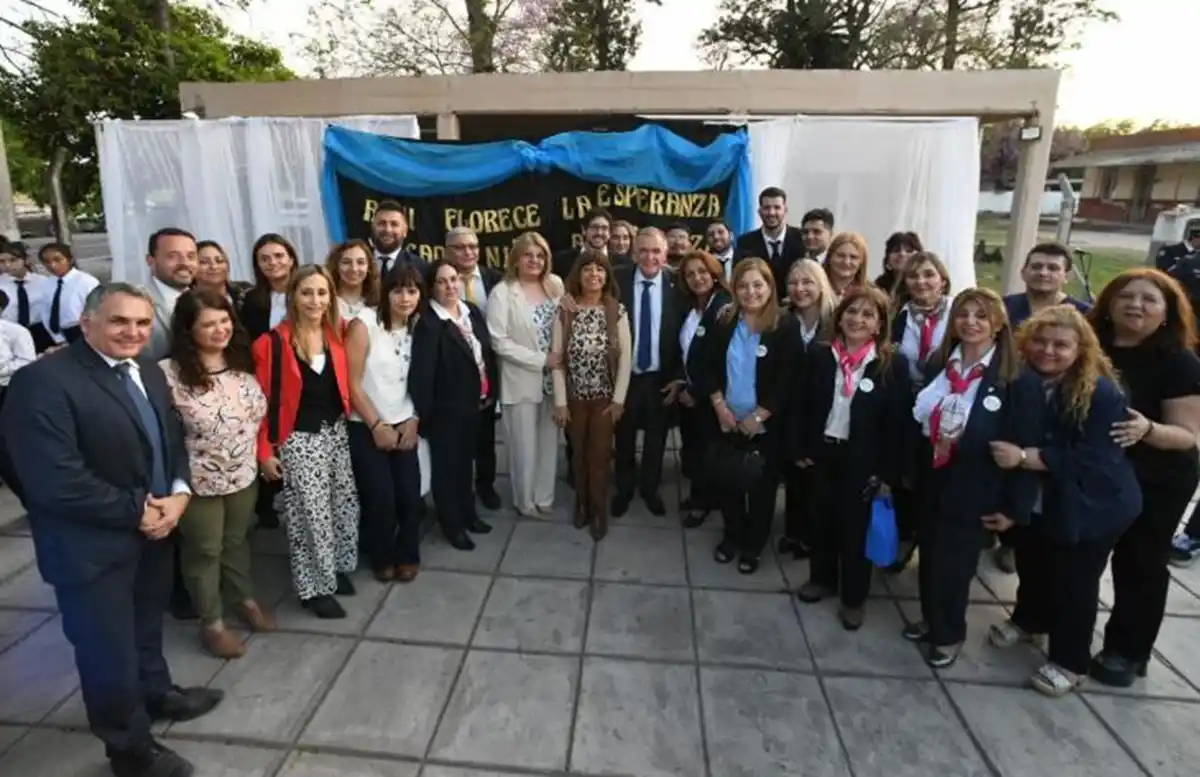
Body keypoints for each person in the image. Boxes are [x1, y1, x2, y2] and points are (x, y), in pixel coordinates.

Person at [0, 282, 221, 777]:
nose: (133, 332)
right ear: (88, 323)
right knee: (108, 652)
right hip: (91, 549)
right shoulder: (43, 382)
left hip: (153, 533)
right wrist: (135, 511)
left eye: (142, 323)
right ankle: (129, 749)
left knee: (145, 629)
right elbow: (53, 479)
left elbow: (171, 439)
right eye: (120, 321)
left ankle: (157, 694)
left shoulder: (147, 371)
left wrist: (180, 491)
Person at [988, 306, 1141, 697]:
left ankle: (1070, 662)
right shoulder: (1025, 380)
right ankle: (1029, 621)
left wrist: (1025, 458)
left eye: (1061, 344)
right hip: (1043, 499)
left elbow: (1093, 458)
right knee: (1033, 562)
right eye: (1040, 341)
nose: (1048, 351)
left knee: (1074, 582)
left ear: (1081, 348)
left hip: (1093, 505)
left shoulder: (1101, 392)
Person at [904, 288, 1042, 668]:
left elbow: (1026, 448)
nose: (971, 322)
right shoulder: (940, 366)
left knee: (956, 566)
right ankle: (931, 619)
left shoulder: (1015, 380)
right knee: (930, 558)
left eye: (981, 316)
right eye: (964, 315)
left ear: (998, 325)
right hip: (934, 479)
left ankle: (949, 634)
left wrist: (1014, 508)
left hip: (976, 490)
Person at [1086, 269, 1200, 687]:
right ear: (1109, 304)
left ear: (1167, 314)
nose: (1135, 305)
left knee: (1139, 563)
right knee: (1078, 553)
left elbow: (1186, 436)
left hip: (1158, 476)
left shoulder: (1179, 362)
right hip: (1099, 471)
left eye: (1149, 300)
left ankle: (1129, 651)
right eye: (1126, 297)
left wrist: (1147, 430)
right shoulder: (1092, 347)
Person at [163, 290, 275, 658]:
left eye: (224, 320)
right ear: (188, 329)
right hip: (198, 481)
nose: (219, 329)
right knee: (204, 551)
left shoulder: (243, 362)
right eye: (208, 324)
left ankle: (243, 599)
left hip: (243, 473)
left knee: (237, 540)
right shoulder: (169, 374)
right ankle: (211, 622)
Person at [793, 286, 910, 629]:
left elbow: (898, 424)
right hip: (823, 453)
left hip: (864, 462)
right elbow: (801, 407)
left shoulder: (891, 365)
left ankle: (854, 598)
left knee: (855, 530)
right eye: (851, 311)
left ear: (879, 325)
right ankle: (822, 579)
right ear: (839, 316)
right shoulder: (819, 355)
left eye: (867, 314)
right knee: (821, 519)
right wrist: (800, 449)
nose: (857, 319)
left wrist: (888, 474)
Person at [252, 266, 361, 620]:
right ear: (292, 297)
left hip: (335, 432)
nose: (315, 300)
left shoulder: (336, 335)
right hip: (299, 438)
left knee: (343, 504)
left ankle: (334, 569)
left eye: (322, 293)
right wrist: (265, 452)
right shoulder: (271, 344)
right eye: (307, 293)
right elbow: (260, 404)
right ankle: (314, 588)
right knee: (309, 516)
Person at [696, 257, 795, 574]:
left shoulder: (784, 326)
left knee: (762, 491)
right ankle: (732, 536)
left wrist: (760, 417)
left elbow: (787, 381)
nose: (751, 292)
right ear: (734, 289)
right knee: (728, 484)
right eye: (743, 285)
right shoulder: (725, 320)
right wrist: (719, 407)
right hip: (726, 420)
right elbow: (707, 367)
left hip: (764, 426)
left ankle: (753, 546)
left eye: (758, 284)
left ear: (770, 287)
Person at [346, 264, 430, 582]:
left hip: (405, 422)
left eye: (412, 291)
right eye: (398, 290)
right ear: (386, 292)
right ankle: (381, 556)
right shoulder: (364, 324)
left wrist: (413, 419)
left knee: (410, 497)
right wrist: (377, 425)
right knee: (381, 499)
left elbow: (423, 381)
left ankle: (407, 555)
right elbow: (352, 384)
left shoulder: (418, 327)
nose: (405, 298)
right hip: (366, 424)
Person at [551, 251, 632, 539]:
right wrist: (560, 402)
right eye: (587, 269)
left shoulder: (616, 310)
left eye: (600, 269)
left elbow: (625, 360)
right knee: (579, 456)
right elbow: (557, 359)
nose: (594, 274)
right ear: (578, 275)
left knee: (599, 457)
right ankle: (581, 504)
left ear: (607, 276)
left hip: (604, 401)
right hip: (574, 400)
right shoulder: (566, 310)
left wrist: (619, 399)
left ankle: (599, 510)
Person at [423, 258, 498, 550]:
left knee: (465, 467)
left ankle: (469, 515)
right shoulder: (430, 324)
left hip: (476, 407)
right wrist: (429, 417)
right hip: (446, 413)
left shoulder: (472, 312)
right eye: (441, 281)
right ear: (431, 288)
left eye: (453, 279)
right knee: (446, 472)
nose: (450, 286)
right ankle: (452, 525)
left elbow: (486, 356)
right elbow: (424, 376)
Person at [487, 232, 563, 518]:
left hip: (552, 381)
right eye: (528, 255)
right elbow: (499, 341)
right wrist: (542, 360)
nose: (535, 260)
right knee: (523, 447)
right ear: (516, 259)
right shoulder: (502, 292)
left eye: (540, 255)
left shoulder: (555, 285)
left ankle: (545, 496)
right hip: (520, 379)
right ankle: (525, 501)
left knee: (548, 442)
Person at [887, 251, 953, 572]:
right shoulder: (898, 316)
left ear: (942, 279)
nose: (921, 282)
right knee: (905, 472)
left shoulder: (959, 313)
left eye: (928, 274)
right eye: (913, 276)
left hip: (949, 408)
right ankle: (905, 534)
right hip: (909, 406)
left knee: (937, 478)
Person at [612, 227, 680, 517]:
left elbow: (683, 336)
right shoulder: (617, 280)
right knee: (623, 436)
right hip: (625, 377)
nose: (649, 257)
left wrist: (678, 377)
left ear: (665, 254)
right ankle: (624, 489)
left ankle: (650, 489)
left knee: (656, 438)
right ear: (633, 253)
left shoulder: (679, 285)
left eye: (656, 251)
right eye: (643, 250)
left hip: (660, 378)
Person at [664, 250, 731, 528]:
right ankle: (702, 496)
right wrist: (681, 381)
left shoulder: (723, 307)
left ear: (714, 273)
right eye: (690, 274)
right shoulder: (693, 307)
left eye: (702, 271)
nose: (697, 278)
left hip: (711, 395)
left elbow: (720, 359)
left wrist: (697, 391)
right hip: (690, 392)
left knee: (707, 453)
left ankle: (703, 504)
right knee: (695, 450)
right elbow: (686, 351)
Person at [778, 258, 837, 560]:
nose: (800, 289)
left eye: (807, 282)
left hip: (822, 415)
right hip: (787, 412)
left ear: (820, 284)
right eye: (794, 282)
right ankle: (791, 532)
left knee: (815, 480)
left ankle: (810, 538)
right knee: (793, 477)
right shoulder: (783, 320)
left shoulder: (836, 323)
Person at [733, 187, 806, 300]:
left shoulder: (801, 238)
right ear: (759, 211)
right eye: (767, 208)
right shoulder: (745, 242)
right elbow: (738, 279)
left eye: (777, 208)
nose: (771, 213)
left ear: (785, 210)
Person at [143, 227, 199, 361]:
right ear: (151, 261)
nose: (184, 263)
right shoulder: (137, 303)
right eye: (172, 256)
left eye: (191, 256)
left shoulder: (202, 299)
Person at [326, 238, 381, 320]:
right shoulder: (326, 302)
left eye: (360, 262)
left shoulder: (379, 304)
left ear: (369, 267)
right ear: (336, 266)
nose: (354, 269)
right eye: (346, 262)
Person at [193, 240, 251, 310]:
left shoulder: (246, 291)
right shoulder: (187, 303)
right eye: (204, 262)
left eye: (219, 261)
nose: (214, 267)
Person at [822, 232, 869, 302]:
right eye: (841, 255)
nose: (846, 262)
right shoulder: (815, 286)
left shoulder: (867, 295)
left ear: (861, 262)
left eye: (853, 257)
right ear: (829, 257)